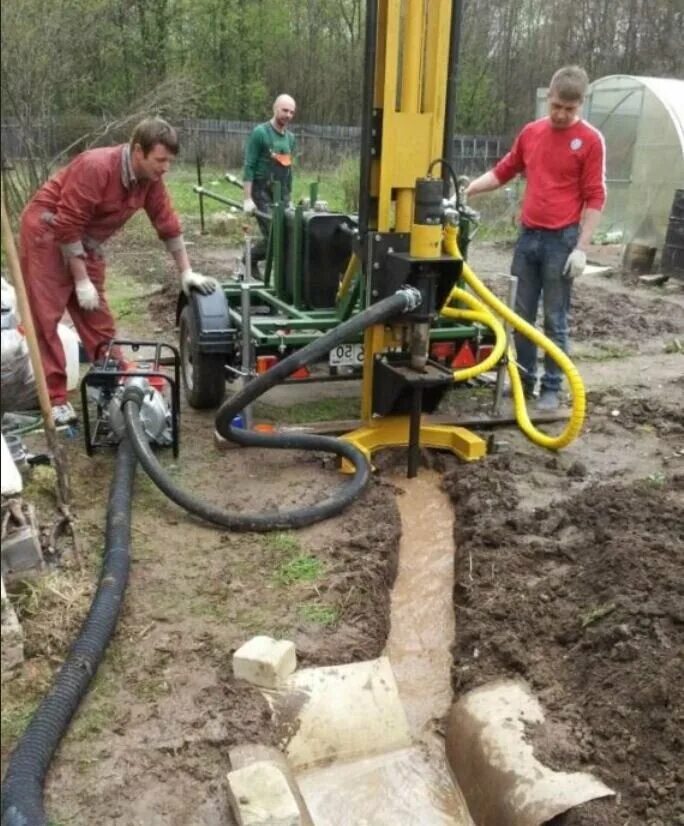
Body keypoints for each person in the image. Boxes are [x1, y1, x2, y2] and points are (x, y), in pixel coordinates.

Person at [20, 117, 217, 425]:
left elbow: (167, 223)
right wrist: (81, 279)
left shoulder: (150, 181)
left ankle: (113, 378)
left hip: (86, 239)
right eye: (160, 160)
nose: (166, 167)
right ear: (138, 151)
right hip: (47, 230)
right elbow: (67, 223)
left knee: (97, 317)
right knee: (45, 318)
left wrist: (186, 273)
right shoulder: (97, 167)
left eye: (170, 161)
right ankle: (55, 398)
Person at [465, 66, 606, 410]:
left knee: (555, 319)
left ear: (580, 105)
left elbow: (595, 196)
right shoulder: (532, 133)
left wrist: (581, 249)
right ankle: (524, 380)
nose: (561, 114)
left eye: (569, 109)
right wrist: (469, 190)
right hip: (528, 237)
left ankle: (552, 388)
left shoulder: (589, 141)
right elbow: (504, 170)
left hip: (562, 241)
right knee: (520, 316)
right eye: (556, 106)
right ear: (549, 98)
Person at [242, 94, 296, 266]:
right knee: (275, 234)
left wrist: (290, 198)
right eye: (285, 110)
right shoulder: (260, 133)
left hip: (281, 192)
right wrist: (248, 198)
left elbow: (289, 170)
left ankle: (282, 279)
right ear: (275, 109)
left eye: (291, 112)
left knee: (290, 233)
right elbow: (249, 166)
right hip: (261, 190)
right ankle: (250, 258)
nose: (288, 115)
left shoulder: (290, 138)